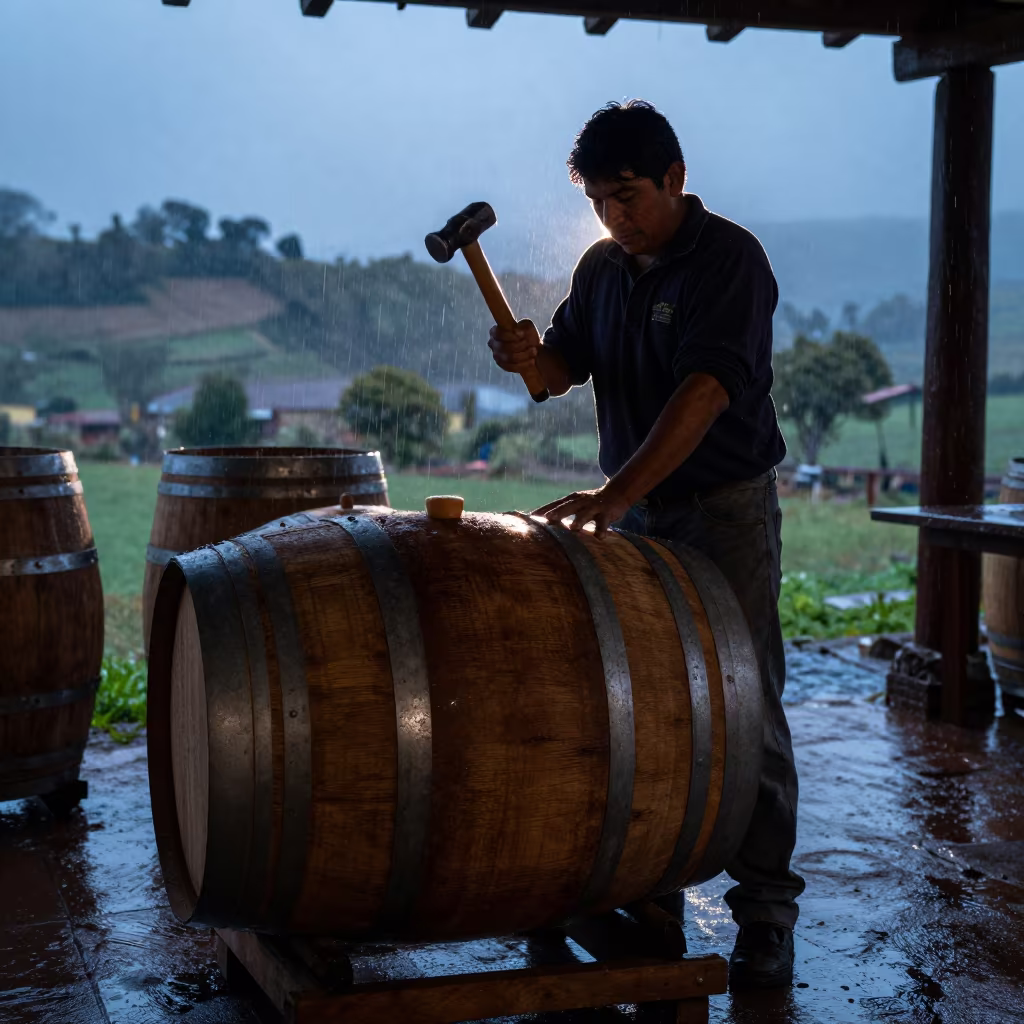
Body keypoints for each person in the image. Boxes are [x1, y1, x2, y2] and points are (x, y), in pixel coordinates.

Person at [487, 99, 804, 992]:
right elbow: (556, 375)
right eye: (598, 202)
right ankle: (645, 889)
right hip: (633, 513)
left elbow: (704, 394)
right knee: (640, 704)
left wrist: (617, 494)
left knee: (748, 706)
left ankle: (767, 915)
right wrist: (524, 357)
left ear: (675, 176)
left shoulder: (730, 261)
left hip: (721, 510)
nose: (614, 217)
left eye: (627, 196)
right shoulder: (600, 270)